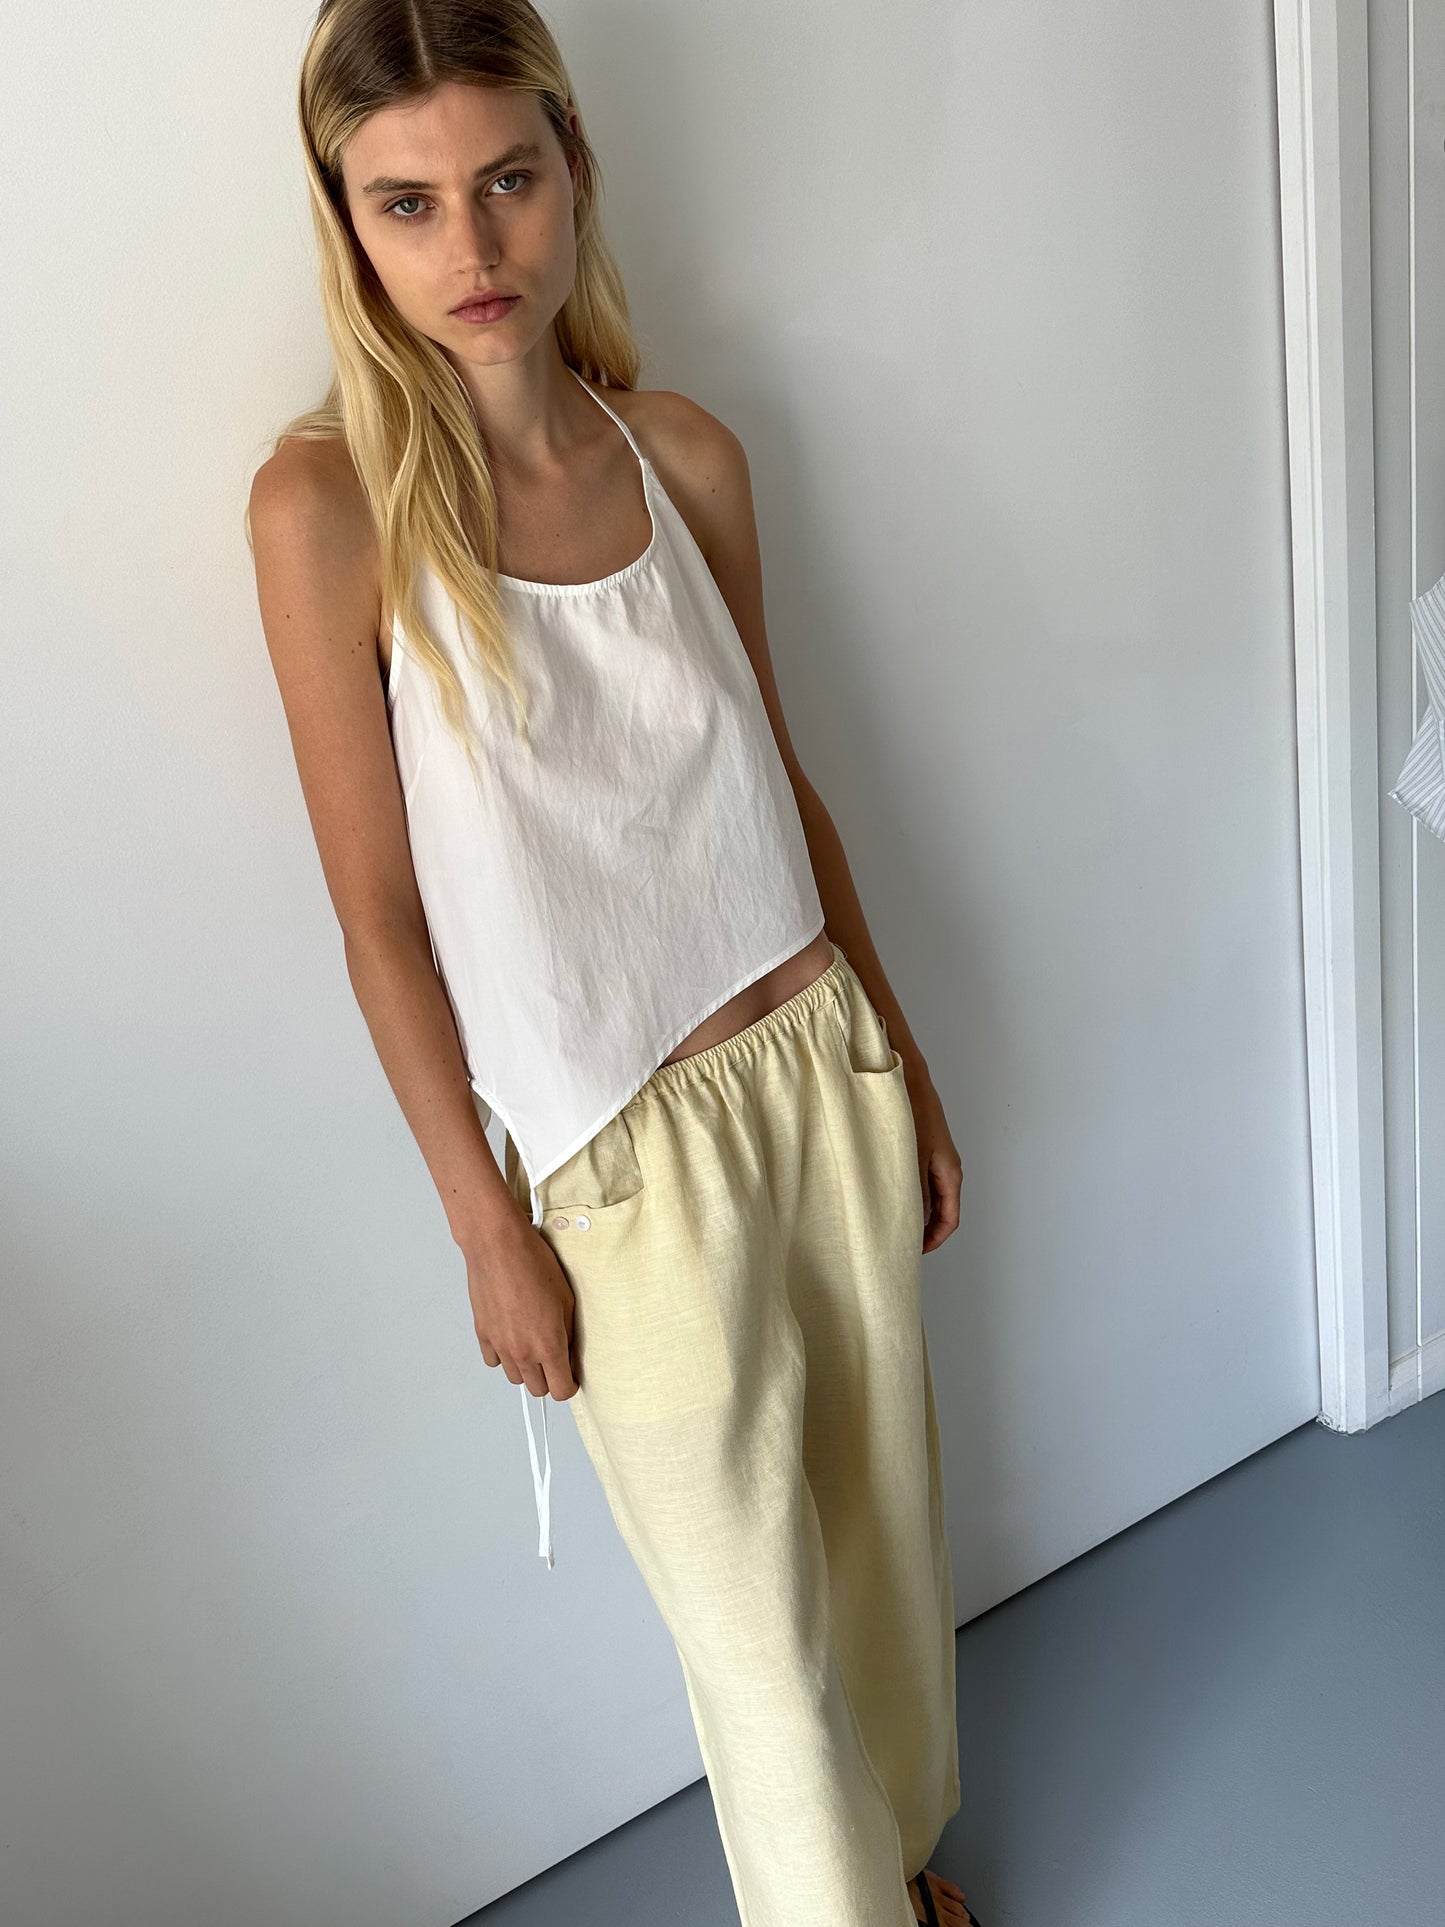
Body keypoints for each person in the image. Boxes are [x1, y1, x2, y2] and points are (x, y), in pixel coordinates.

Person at [246, 4, 973, 1923]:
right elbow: (377, 916)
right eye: (406, 205)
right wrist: (486, 1225)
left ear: (576, 171)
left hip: (811, 1066)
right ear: (348, 226)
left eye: (506, 180)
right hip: (613, 1168)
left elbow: (776, 779)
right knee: (749, 1629)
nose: (470, 251)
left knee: (881, 1541)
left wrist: (894, 1049)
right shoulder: (328, 513)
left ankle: (902, 1868)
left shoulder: (692, 457)